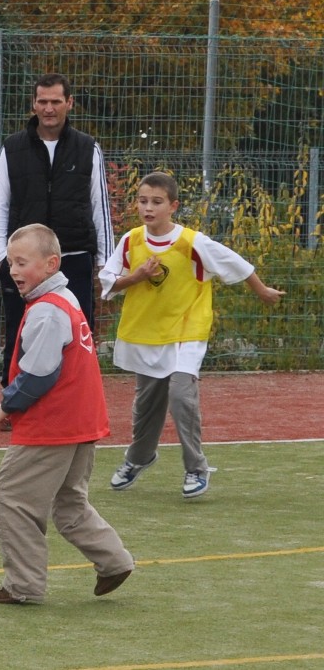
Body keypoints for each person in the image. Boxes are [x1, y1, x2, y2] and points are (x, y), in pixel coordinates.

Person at [99, 172, 285, 499]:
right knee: (146, 405)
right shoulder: (130, 241)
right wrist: (137, 276)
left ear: (173, 206)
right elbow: (109, 283)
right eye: (143, 201)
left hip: (187, 331)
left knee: (181, 395)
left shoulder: (192, 243)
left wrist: (262, 290)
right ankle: (139, 457)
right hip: (147, 333)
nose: (148, 208)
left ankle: (196, 467)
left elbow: (236, 263)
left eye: (156, 202)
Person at [0, 224, 133, 605]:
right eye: (11, 263)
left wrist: (7, 404)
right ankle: (114, 561)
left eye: (22, 263)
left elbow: (39, 374)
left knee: (9, 498)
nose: (13, 271)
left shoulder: (47, 310)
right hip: (81, 423)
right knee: (69, 504)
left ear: (51, 264)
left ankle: (24, 586)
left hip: (53, 426)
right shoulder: (65, 298)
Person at [0, 72, 113, 388]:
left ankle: (75, 398)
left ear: (69, 103)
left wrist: (105, 263)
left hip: (75, 259)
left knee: (76, 335)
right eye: (42, 101)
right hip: (25, 265)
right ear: (33, 104)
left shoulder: (87, 148)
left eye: (56, 101)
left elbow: (100, 207)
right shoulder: (12, 148)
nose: (48, 108)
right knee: (19, 334)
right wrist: (2, 258)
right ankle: (14, 400)